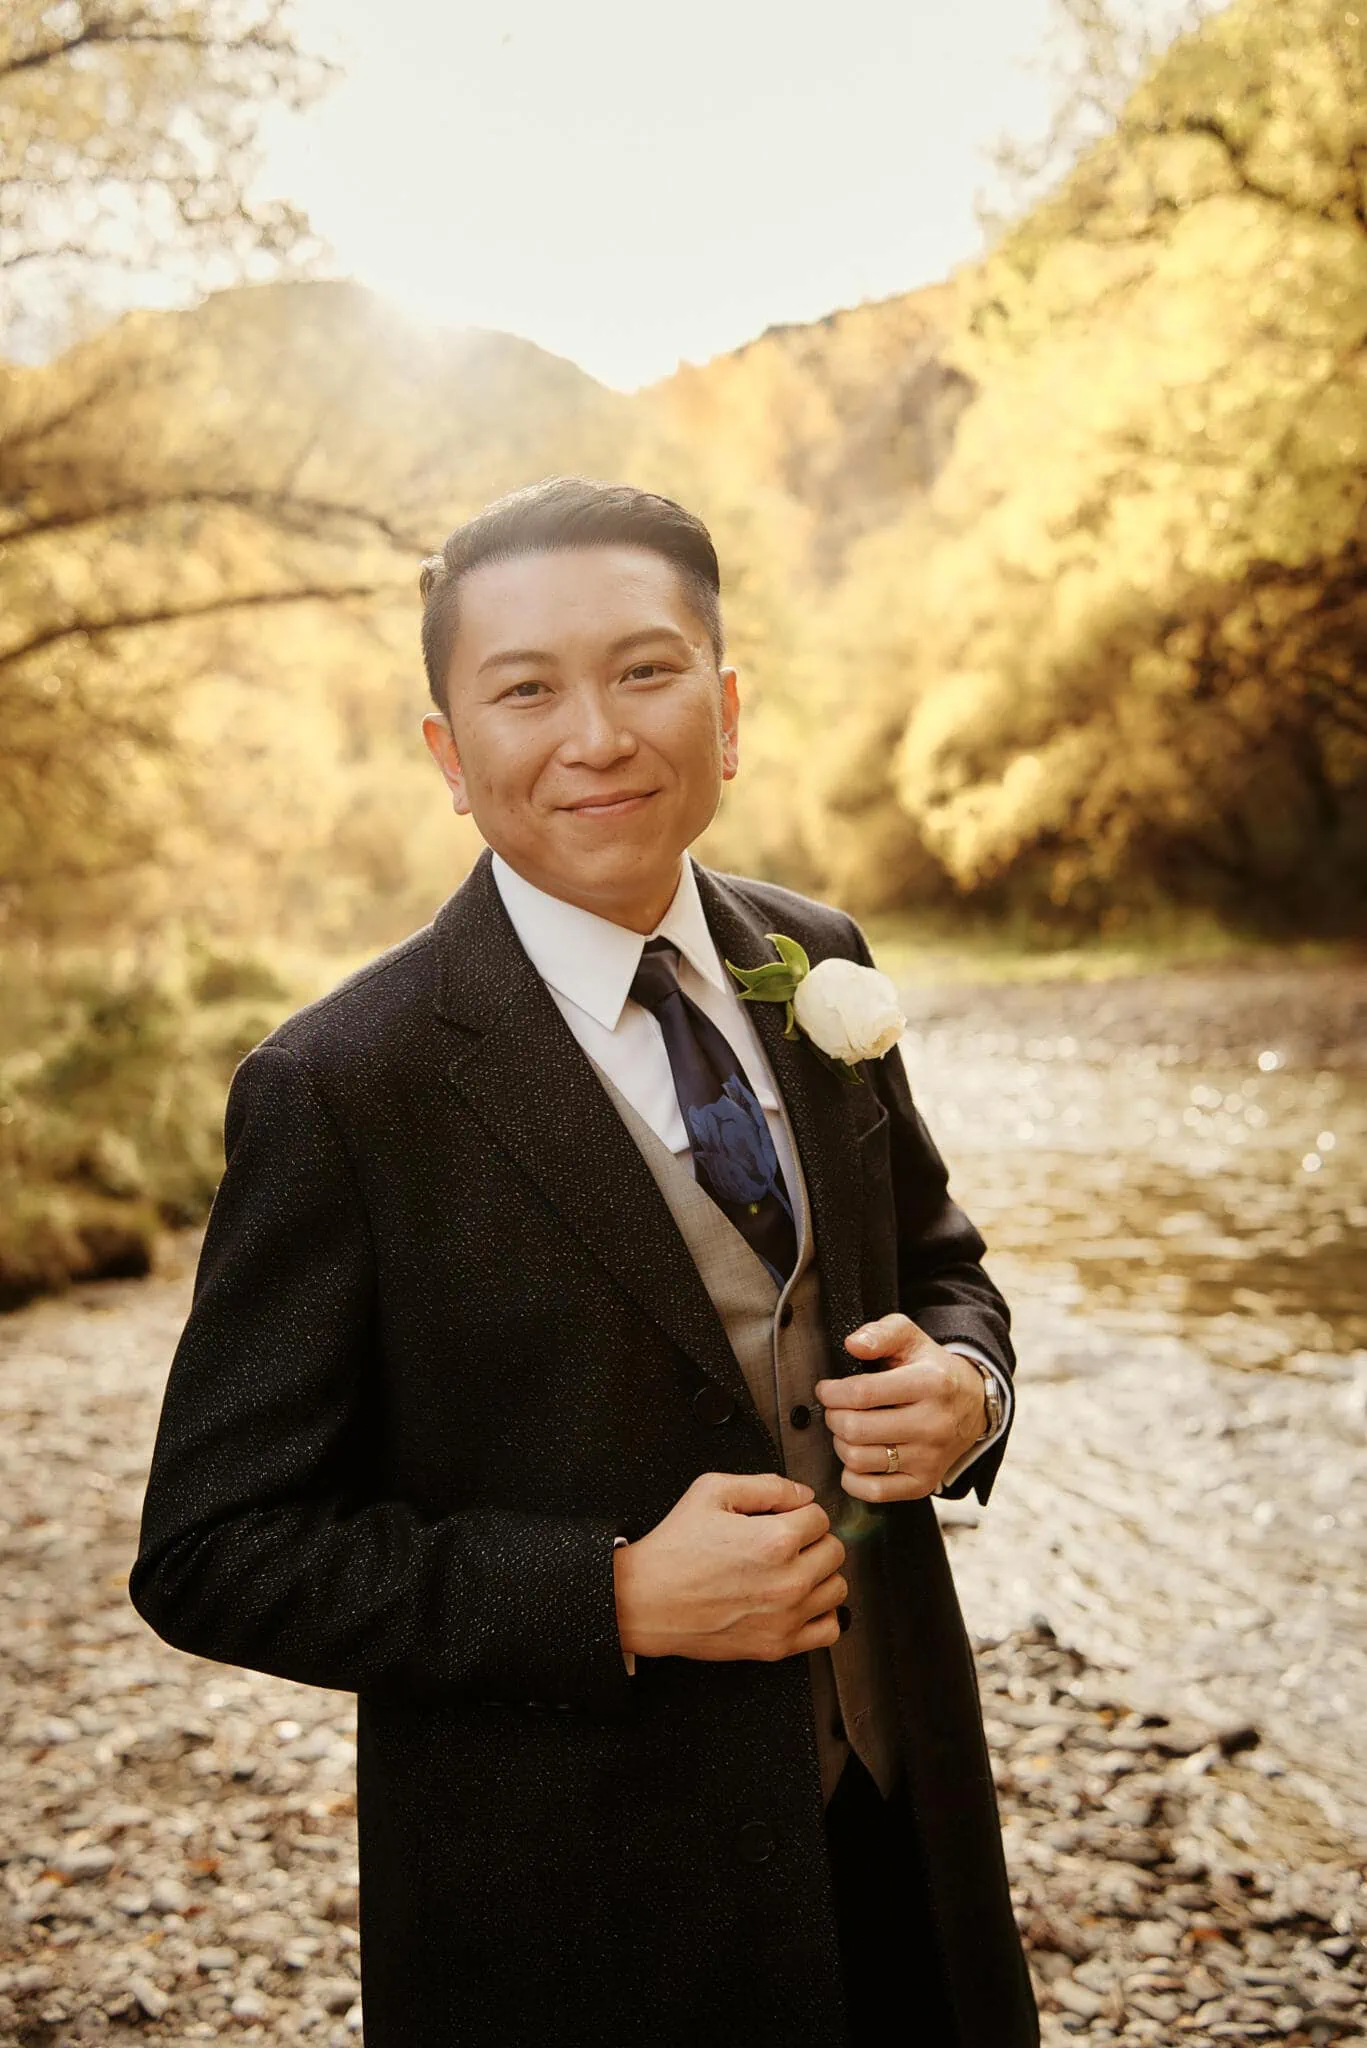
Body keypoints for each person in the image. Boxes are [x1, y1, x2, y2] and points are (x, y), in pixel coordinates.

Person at [130, 476, 1039, 2048]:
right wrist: (605, 1595)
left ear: (726, 707)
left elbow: (940, 1262)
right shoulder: (342, 1087)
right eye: (526, 690)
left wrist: (968, 1386)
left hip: (906, 1824)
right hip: (578, 1899)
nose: (598, 735)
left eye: (644, 669)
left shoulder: (818, 957)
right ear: (449, 756)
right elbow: (213, 1550)